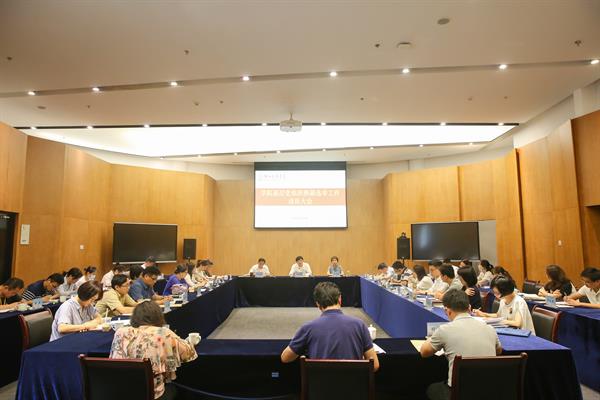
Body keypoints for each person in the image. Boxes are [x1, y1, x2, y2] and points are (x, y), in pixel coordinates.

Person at [420, 289, 502, 400]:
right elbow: (498, 351)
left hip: (459, 393)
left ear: (447, 311)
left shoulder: (444, 329)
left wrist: (432, 336)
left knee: (432, 389)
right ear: (469, 308)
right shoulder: (490, 328)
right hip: (489, 391)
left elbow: (424, 352)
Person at [280, 282, 379, 371]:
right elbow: (374, 365)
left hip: (319, 385)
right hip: (354, 385)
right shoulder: (359, 325)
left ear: (317, 304)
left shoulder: (308, 328)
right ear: (340, 299)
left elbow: (285, 358)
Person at [110, 301, 198, 400]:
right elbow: (188, 353)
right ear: (158, 317)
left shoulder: (120, 332)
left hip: (121, 391)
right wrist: (191, 342)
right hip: (152, 394)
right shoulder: (162, 332)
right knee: (173, 389)